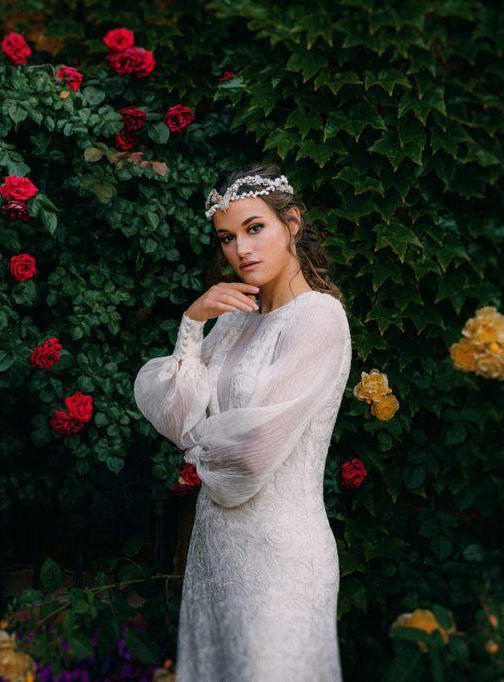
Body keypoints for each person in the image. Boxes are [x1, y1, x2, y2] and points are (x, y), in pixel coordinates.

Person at [133, 163, 351, 680]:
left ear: (291, 223)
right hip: (216, 551)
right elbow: (176, 413)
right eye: (227, 238)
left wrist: (199, 444)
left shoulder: (320, 317)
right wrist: (192, 323)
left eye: (256, 228)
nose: (241, 250)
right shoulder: (230, 320)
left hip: (281, 552)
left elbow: (251, 452)